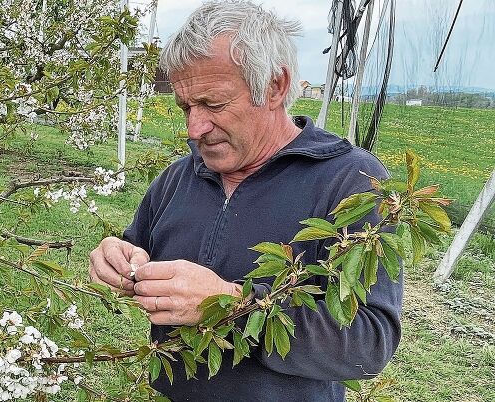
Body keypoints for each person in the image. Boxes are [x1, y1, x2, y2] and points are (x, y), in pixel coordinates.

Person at [88, 1, 402, 401]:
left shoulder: (351, 183)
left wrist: (232, 308)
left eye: (214, 104)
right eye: (186, 106)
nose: (194, 127)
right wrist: (116, 257)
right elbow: (137, 249)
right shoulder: (180, 177)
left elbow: (368, 344)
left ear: (275, 86)